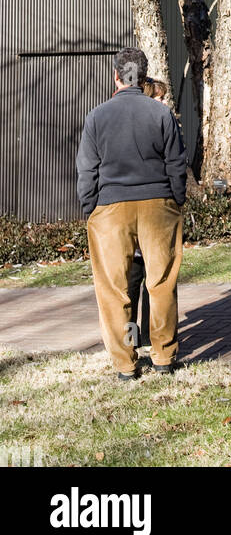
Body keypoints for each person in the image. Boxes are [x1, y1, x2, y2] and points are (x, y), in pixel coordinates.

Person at [76, 48, 186, 381]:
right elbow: (176, 163)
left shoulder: (97, 116)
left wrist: (90, 208)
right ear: (144, 76)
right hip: (158, 204)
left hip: (110, 209)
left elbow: (87, 170)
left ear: (116, 75)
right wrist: (176, 200)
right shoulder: (161, 114)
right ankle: (164, 357)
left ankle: (126, 363)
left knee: (114, 289)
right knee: (161, 282)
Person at [127, 77, 174, 352]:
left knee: (153, 285)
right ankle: (133, 341)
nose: (163, 102)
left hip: (156, 215)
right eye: (159, 97)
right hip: (140, 216)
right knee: (133, 286)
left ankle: (149, 339)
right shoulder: (141, 130)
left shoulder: (164, 124)